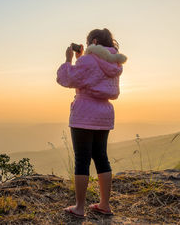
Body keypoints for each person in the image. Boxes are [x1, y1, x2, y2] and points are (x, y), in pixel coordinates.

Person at [57, 28, 127, 218]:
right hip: (104, 114)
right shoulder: (114, 63)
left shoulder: (88, 60)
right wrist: (82, 57)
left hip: (84, 114)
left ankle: (79, 207)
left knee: (82, 160)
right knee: (101, 157)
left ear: (94, 41)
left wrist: (69, 60)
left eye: (88, 44)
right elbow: (98, 80)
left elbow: (67, 79)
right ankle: (104, 204)